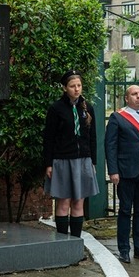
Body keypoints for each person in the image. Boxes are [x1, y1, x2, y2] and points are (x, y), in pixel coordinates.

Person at [106, 85, 139, 263]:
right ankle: (123, 249)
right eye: (134, 94)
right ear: (126, 98)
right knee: (124, 210)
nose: (138, 97)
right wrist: (113, 171)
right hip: (125, 172)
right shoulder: (117, 117)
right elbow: (110, 146)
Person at [43, 70, 99, 239]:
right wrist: (48, 163)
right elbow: (49, 138)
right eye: (72, 86)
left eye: (79, 86)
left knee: (79, 201)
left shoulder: (87, 108)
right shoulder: (56, 109)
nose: (76, 89)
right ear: (64, 88)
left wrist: (93, 162)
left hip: (83, 161)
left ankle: (76, 241)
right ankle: (62, 242)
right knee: (64, 201)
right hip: (63, 160)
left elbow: (93, 137)